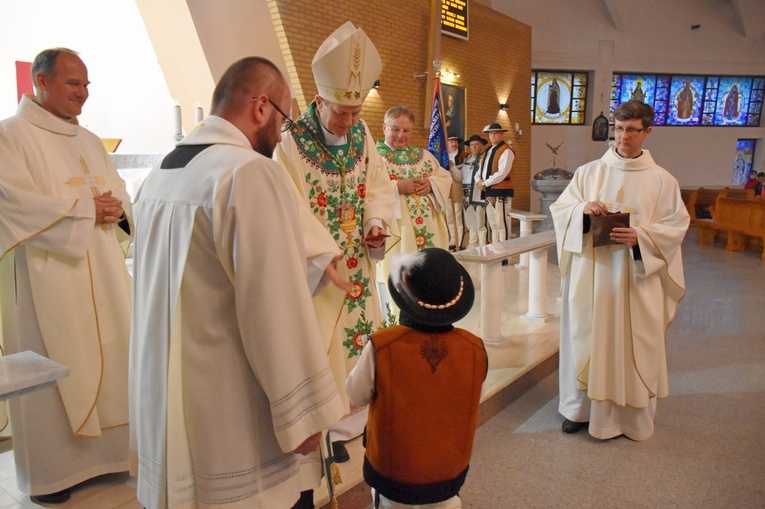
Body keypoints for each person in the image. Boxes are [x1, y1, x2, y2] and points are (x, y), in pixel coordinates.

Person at [130, 56, 345, 509]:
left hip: (169, 400)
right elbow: (273, 305)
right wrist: (304, 416)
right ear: (262, 107)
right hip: (230, 409)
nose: (281, 134)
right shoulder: (247, 171)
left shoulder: (160, 175)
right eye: (284, 120)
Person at [0, 47, 132, 504]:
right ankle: (54, 474)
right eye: (74, 84)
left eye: (87, 85)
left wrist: (116, 208)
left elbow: (116, 189)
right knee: (52, 367)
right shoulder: (11, 136)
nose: (83, 94)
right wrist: (83, 209)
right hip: (48, 278)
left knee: (114, 354)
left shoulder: (89, 140)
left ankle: (115, 456)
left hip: (103, 271)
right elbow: (11, 203)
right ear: (41, 81)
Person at [275, 22, 395, 464]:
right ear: (319, 99)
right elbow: (288, 204)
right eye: (340, 112)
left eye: (356, 112)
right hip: (319, 267)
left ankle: (357, 420)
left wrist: (376, 221)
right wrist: (320, 254)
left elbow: (378, 183)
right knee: (321, 341)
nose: (348, 122)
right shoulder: (290, 141)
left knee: (360, 336)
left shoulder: (362, 136)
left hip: (358, 261)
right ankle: (325, 426)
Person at [550, 100, 690, 441]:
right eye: (618, 129)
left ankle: (629, 419)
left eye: (631, 130)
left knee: (635, 342)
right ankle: (579, 411)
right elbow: (561, 209)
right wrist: (583, 209)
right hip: (593, 276)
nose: (622, 137)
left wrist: (640, 236)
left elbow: (676, 226)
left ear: (647, 131)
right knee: (586, 336)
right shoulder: (588, 172)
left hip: (635, 278)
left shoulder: (663, 181)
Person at [346, 248, 487, 508]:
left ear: (403, 297)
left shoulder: (383, 346)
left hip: (394, 470)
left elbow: (356, 394)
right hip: (448, 469)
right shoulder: (475, 348)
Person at [377, 106, 451, 260]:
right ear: (384, 128)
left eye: (407, 130)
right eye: (395, 129)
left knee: (429, 271)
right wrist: (396, 187)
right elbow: (365, 189)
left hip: (429, 226)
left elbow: (445, 177)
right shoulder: (374, 158)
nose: (401, 135)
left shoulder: (425, 156)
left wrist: (432, 184)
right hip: (397, 231)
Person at [475, 123, 515, 250]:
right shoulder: (487, 151)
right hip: (489, 191)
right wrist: (478, 181)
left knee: (501, 223)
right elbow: (479, 170)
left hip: (500, 191)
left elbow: (502, 173)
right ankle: (495, 249)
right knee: (492, 223)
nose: (493, 135)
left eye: (496, 132)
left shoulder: (506, 151)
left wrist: (485, 183)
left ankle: (504, 252)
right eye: (491, 133)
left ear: (501, 134)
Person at [462, 134, 488, 248]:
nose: (474, 147)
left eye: (476, 144)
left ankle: (482, 245)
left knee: (480, 222)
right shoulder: (467, 159)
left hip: (478, 192)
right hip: (466, 193)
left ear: (482, 145)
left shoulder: (485, 158)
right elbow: (461, 175)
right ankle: (472, 245)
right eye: (472, 145)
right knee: (470, 222)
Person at [445, 135, 467, 250]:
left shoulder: (463, 156)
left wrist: (453, 167)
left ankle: (460, 241)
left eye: (455, 141)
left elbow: (460, 176)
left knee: (458, 215)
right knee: (449, 217)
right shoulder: (444, 156)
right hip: (447, 189)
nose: (454, 143)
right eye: (451, 141)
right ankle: (453, 239)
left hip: (458, 188)